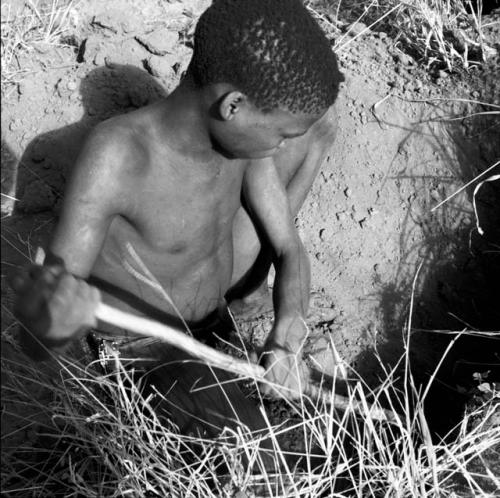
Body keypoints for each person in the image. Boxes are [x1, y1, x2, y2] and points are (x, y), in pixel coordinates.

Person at [11, 0, 344, 442]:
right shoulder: (119, 157)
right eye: (279, 132)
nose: (280, 146)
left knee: (317, 128)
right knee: (252, 456)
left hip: (215, 316)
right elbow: (40, 333)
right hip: (145, 354)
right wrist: (50, 321)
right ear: (233, 106)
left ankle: (245, 308)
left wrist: (290, 324)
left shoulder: (244, 146)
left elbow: (288, 248)